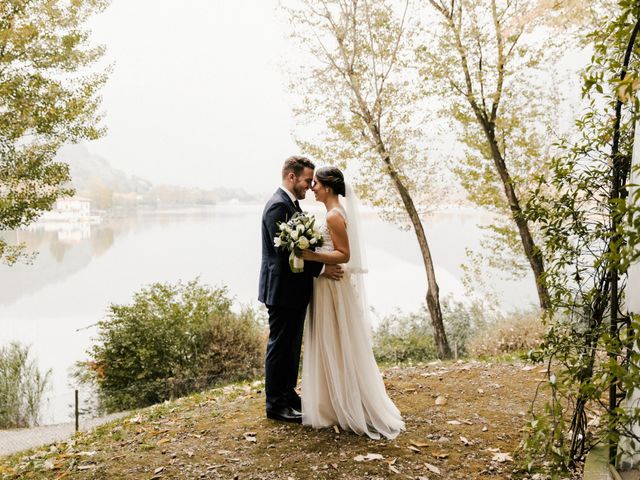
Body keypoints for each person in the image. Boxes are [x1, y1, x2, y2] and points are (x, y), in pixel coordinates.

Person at [298, 166, 405, 439]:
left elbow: (344, 255)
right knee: (329, 340)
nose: (313, 188)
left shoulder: (334, 215)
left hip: (332, 287)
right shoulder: (333, 213)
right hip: (326, 284)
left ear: (329, 187)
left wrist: (312, 257)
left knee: (336, 339)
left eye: (317, 184)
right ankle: (332, 402)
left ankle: (344, 403)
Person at [258, 156, 343, 423]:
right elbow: (286, 255)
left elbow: (301, 249)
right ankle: (275, 405)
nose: (309, 185)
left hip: (293, 290)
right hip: (281, 290)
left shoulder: (291, 205)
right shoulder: (277, 207)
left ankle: (288, 394)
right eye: (307, 180)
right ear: (291, 177)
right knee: (280, 347)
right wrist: (321, 269)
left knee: (292, 346)